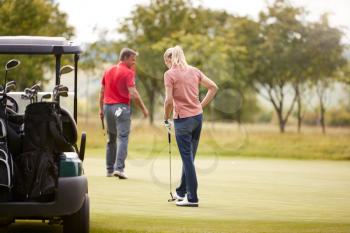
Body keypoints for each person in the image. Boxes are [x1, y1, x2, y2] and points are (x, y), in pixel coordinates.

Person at [163, 46, 218, 207]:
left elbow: (168, 101)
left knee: (187, 159)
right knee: (190, 157)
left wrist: (166, 119)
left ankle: (192, 198)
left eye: (166, 61)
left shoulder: (169, 74)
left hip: (183, 120)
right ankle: (181, 192)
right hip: (197, 118)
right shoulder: (194, 71)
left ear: (169, 59)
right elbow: (213, 87)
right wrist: (200, 106)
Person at [99, 48, 149, 179]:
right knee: (123, 137)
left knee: (111, 139)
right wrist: (144, 109)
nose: (134, 62)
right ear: (125, 58)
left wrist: (100, 109)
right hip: (121, 108)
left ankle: (110, 170)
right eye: (133, 59)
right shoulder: (128, 72)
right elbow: (133, 93)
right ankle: (119, 169)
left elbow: (102, 91)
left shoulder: (108, 70)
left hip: (107, 107)